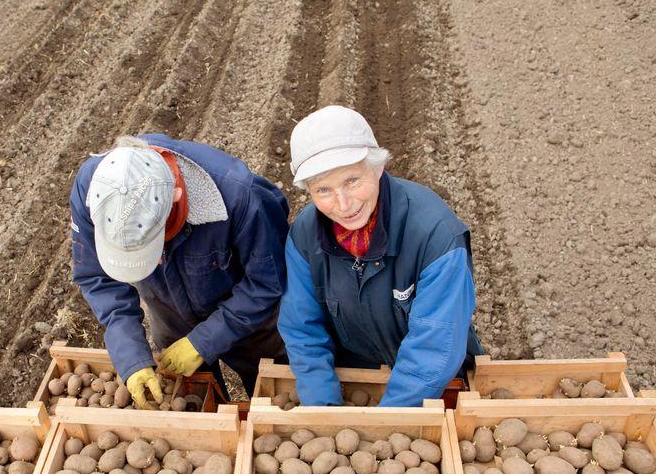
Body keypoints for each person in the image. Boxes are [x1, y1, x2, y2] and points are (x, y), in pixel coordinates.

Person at [277, 105, 485, 406]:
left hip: (435, 380)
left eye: (352, 181)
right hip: (360, 375)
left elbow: (434, 347)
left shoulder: (435, 236)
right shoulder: (304, 237)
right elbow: (301, 328)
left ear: (377, 167)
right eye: (324, 189)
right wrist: (323, 410)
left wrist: (387, 421)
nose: (344, 204)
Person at [71, 134, 289, 408]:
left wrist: (205, 341)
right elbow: (97, 277)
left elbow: (267, 281)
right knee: (197, 403)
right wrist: (130, 354)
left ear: (176, 196)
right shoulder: (95, 191)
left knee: (269, 386)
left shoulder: (240, 196)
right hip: (169, 311)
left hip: (250, 316)